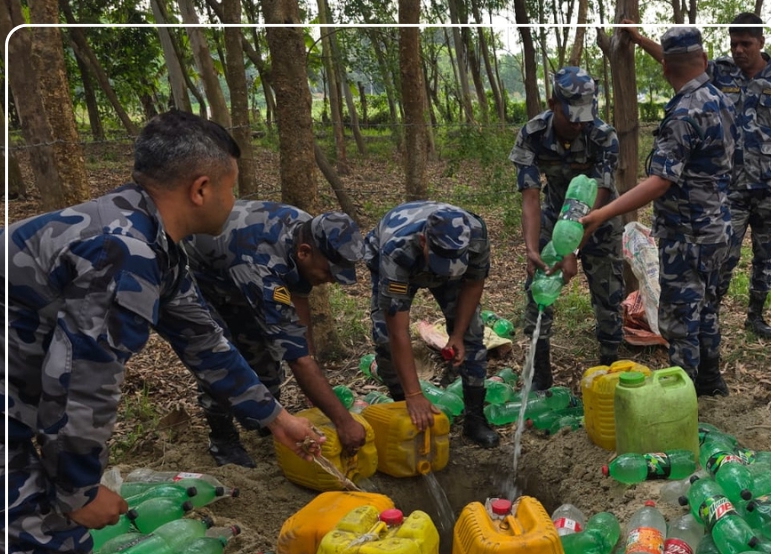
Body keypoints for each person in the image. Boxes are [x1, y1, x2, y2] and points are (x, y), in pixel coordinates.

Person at [0, 110, 319, 554]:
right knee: (47, 544)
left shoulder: (155, 241)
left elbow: (204, 342)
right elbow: (81, 383)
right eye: (232, 186)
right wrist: (79, 489)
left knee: (14, 537)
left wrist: (275, 418)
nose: (236, 200)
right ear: (201, 188)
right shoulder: (121, 249)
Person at [580, 27, 737, 395]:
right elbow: (681, 63)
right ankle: (712, 382)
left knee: (680, 319)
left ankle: (682, 398)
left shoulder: (682, 115)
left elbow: (660, 181)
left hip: (688, 234)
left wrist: (603, 214)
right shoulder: (718, 95)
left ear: (666, 68)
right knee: (708, 308)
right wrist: (637, 37)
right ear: (703, 58)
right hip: (719, 230)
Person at [625, 13, 771, 339]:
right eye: (734, 43)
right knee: (722, 259)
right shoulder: (720, 71)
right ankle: (710, 315)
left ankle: (756, 316)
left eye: (746, 44)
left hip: (770, 185)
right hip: (729, 189)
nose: (738, 50)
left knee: (766, 256)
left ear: (761, 42)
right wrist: (638, 38)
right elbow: (677, 62)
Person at [183, 202, 370, 468]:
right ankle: (223, 439)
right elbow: (297, 359)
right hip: (199, 275)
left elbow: (298, 313)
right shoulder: (261, 263)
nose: (330, 280)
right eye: (329, 272)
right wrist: (344, 422)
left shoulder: (308, 231)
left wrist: (312, 373)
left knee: (264, 351)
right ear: (305, 252)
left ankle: (264, 419)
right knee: (219, 354)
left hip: (236, 267)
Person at [510, 65, 625, 387]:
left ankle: (611, 361)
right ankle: (539, 371)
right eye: (570, 115)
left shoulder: (603, 135)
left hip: (599, 219)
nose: (578, 124)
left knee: (608, 293)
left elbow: (599, 195)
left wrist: (571, 247)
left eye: (583, 116)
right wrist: (533, 249)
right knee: (538, 288)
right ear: (552, 104)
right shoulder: (532, 134)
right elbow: (530, 198)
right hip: (553, 215)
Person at [366, 201, 500, 447]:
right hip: (399, 262)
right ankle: (403, 407)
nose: (447, 272)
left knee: (472, 334)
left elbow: (473, 283)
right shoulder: (397, 250)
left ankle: (474, 418)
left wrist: (458, 334)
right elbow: (398, 331)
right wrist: (413, 394)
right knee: (385, 339)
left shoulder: (476, 235)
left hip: (440, 260)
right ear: (424, 241)